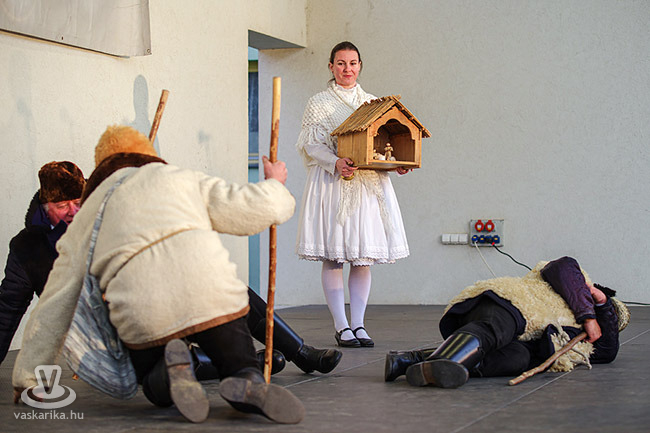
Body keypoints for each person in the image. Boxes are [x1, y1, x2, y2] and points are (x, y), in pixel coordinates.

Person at [12, 125, 304, 424]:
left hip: (144, 310)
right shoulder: (181, 178)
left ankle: (166, 374)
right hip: (211, 295)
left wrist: (29, 377)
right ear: (148, 156)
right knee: (235, 352)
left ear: (101, 169)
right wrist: (275, 183)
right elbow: (254, 208)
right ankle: (246, 378)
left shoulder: (89, 214)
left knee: (151, 369)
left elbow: (56, 298)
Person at [295, 41, 410, 348]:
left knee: (362, 258)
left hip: (366, 185)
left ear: (360, 66)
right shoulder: (318, 103)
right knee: (335, 256)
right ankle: (341, 325)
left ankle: (358, 323)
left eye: (353, 63)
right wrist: (335, 162)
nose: (347, 69)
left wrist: (395, 163)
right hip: (334, 182)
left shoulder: (373, 103)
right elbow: (311, 144)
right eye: (341, 63)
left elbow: (380, 145)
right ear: (331, 66)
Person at [384, 256, 629, 388]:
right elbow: (561, 267)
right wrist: (592, 310)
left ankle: (409, 362)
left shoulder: (578, 343)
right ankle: (443, 362)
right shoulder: (577, 285)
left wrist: (603, 312)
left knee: (516, 358)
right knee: (500, 326)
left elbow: (607, 352)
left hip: (518, 335)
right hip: (507, 303)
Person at [0, 161, 85, 365]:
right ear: (46, 209)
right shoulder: (26, 248)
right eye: (62, 206)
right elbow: (7, 309)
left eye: (78, 202)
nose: (73, 211)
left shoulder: (109, 224)